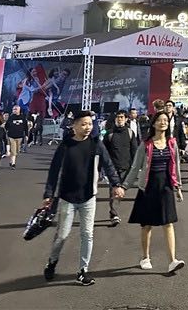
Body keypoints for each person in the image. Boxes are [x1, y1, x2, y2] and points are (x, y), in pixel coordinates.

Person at [42, 110, 126, 286]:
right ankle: (52, 262)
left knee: (87, 234)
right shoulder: (65, 145)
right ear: (74, 126)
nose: (87, 127)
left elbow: (108, 165)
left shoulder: (96, 144)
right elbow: (53, 171)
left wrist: (116, 184)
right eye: (83, 124)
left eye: (89, 124)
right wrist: (48, 194)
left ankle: (83, 271)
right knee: (62, 236)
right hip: (67, 198)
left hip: (88, 197)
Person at [122, 110, 185, 272]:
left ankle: (172, 260)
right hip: (148, 188)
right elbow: (136, 167)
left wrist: (178, 187)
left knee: (168, 223)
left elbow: (176, 166)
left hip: (166, 187)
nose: (163, 122)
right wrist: (124, 186)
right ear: (154, 123)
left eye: (165, 120)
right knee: (147, 225)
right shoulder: (146, 144)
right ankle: (145, 257)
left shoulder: (172, 143)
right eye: (160, 120)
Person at [103, 110, 138, 226]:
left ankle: (114, 211)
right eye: (118, 117)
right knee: (114, 191)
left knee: (121, 193)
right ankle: (114, 213)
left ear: (126, 119)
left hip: (126, 168)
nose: (120, 119)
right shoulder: (109, 134)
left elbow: (135, 151)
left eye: (122, 117)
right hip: (112, 169)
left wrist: (136, 167)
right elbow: (104, 152)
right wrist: (102, 168)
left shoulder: (130, 133)